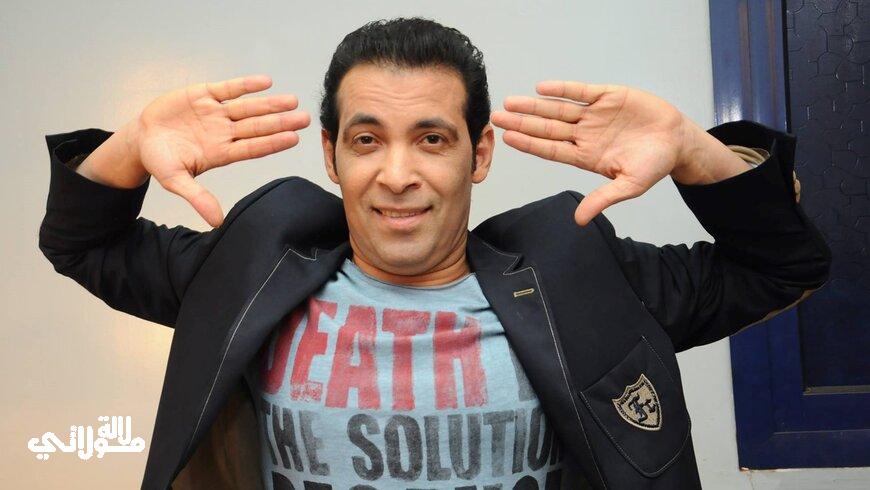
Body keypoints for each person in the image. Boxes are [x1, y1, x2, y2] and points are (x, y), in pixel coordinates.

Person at [38, 17, 829, 490]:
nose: (397, 175)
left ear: (478, 155)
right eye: (367, 140)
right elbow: (80, 242)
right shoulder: (251, 266)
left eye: (432, 139)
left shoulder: (581, 275)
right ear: (330, 155)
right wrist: (132, 145)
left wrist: (695, 152)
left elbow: (782, 267)